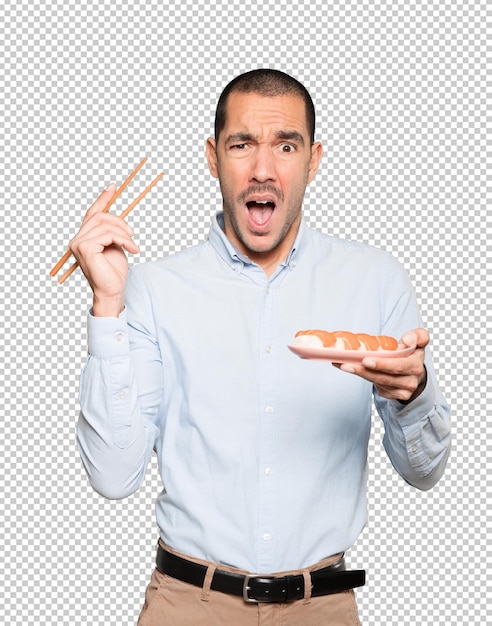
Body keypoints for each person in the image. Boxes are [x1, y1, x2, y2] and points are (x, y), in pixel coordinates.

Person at [71, 69, 451, 626]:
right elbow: (112, 475)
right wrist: (108, 303)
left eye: (286, 145)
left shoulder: (375, 280)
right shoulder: (151, 289)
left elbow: (426, 472)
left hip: (321, 607)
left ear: (314, 160)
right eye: (242, 144)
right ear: (212, 157)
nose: (263, 170)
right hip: (187, 606)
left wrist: (413, 394)